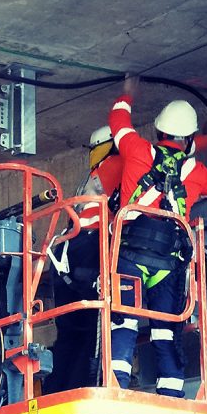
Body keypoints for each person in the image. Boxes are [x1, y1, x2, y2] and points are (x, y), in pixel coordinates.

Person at [108, 76, 207, 397]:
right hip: (168, 263)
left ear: (158, 132)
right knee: (165, 330)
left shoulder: (136, 149)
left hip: (130, 254)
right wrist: (202, 144)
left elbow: (117, 121)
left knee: (124, 322)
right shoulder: (196, 173)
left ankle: (116, 388)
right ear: (188, 139)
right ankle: (171, 395)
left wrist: (128, 95)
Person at [46, 126, 124, 393]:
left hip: (66, 255)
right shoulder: (117, 164)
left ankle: (57, 391)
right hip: (89, 248)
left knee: (69, 331)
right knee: (91, 328)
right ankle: (82, 388)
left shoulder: (90, 180)